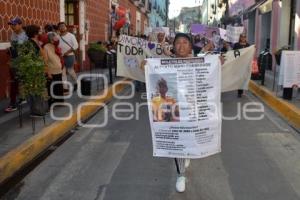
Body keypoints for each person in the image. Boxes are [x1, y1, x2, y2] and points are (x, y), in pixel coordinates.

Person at [5, 17, 28, 112]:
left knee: (20, 81)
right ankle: (15, 102)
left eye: (14, 25)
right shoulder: (13, 34)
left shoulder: (26, 35)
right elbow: (13, 47)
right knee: (15, 82)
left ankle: (15, 103)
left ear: (20, 24)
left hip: (24, 62)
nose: (12, 27)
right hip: (15, 62)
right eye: (11, 25)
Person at [43, 32, 64, 107]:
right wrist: (48, 72)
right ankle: (51, 104)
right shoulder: (46, 47)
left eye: (56, 38)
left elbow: (59, 56)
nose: (56, 40)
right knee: (51, 87)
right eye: (54, 38)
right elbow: (45, 60)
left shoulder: (56, 46)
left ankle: (60, 102)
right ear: (50, 39)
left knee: (59, 86)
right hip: (51, 70)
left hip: (58, 69)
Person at [57, 22, 79, 92]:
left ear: (66, 27)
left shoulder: (71, 36)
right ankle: (65, 88)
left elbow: (76, 45)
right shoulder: (58, 37)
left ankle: (76, 82)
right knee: (62, 72)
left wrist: (67, 52)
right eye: (60, 26)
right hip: (61, 57)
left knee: (70, 71)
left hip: (70, 56)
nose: (62, 27)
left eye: (63, 26)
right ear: (58, 28)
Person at [233, 33, 250, 98]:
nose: (243, 38)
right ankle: (239, 92)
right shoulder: (236, 45)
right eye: (242, 37)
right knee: (240, 78)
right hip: (239, 64)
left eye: (244, 37)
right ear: (240, 38)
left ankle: (242, 91)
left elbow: (250, 53)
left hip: (246, 63)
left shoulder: (248, 45)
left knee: (244, 78)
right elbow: (233, 53)